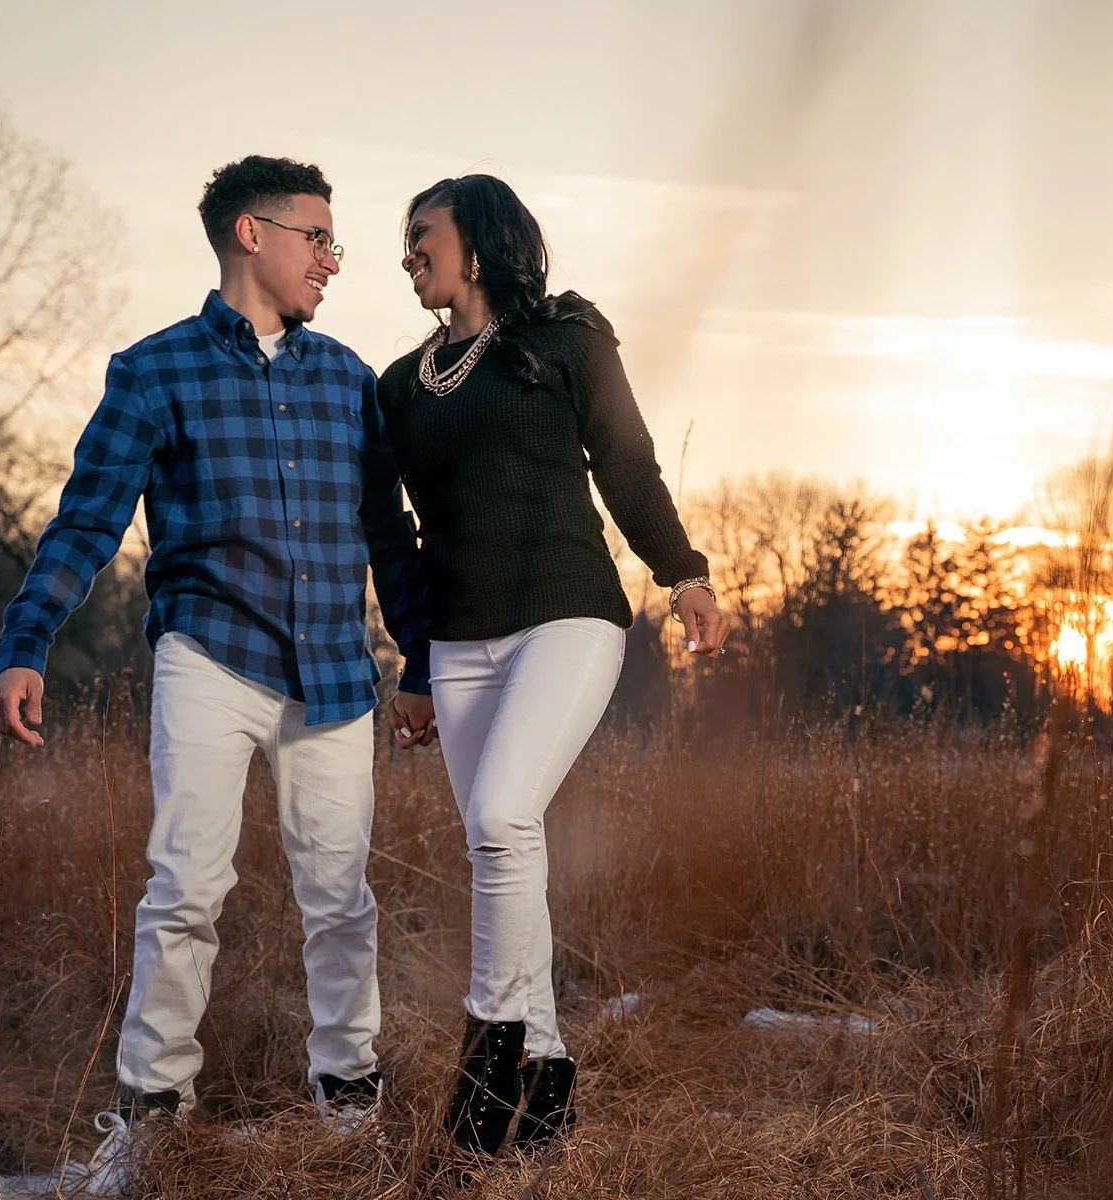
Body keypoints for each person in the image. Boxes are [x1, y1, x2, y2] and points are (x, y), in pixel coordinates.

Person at [0, 155, 436, 1191]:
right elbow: (87, 521)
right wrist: (26, 643)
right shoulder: (156, 371)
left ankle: (350, 1109)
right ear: (251, 234)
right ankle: (152, 1119)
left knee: (342, 898)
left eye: (334, 241)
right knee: (186, 888)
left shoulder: (348, 381)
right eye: (317, 237)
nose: (333, 259)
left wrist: (418, 657)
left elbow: (389, 536)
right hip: (209, 655)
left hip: (333, 673)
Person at [376, 174, 728, 1156]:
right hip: (458, 643)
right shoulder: (399, 386)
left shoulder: (567, 341)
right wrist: (416, 662)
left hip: (567, 618)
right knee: (503, 845)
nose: (407, 254)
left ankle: (488, 1067)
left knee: (500, 817)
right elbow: (389, 532)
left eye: (423, 235)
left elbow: (627, 464)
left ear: (480, 242)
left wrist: (684, 573)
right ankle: (548, 1082)